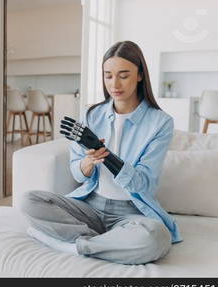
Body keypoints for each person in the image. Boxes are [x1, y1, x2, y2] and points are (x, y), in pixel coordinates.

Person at [20, 40, 183, 265]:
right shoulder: (91, 115)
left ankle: (75, 246)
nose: (114, 83)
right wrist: (88, 162)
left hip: (131, 212)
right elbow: (78, 174)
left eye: (123, 75)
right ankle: (107, 243)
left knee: (156, 239)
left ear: (140, 75)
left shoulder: (160, 122)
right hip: (90, 206)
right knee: (29, 201)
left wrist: (106, 155)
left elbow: (143, 184)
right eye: (108, 75)